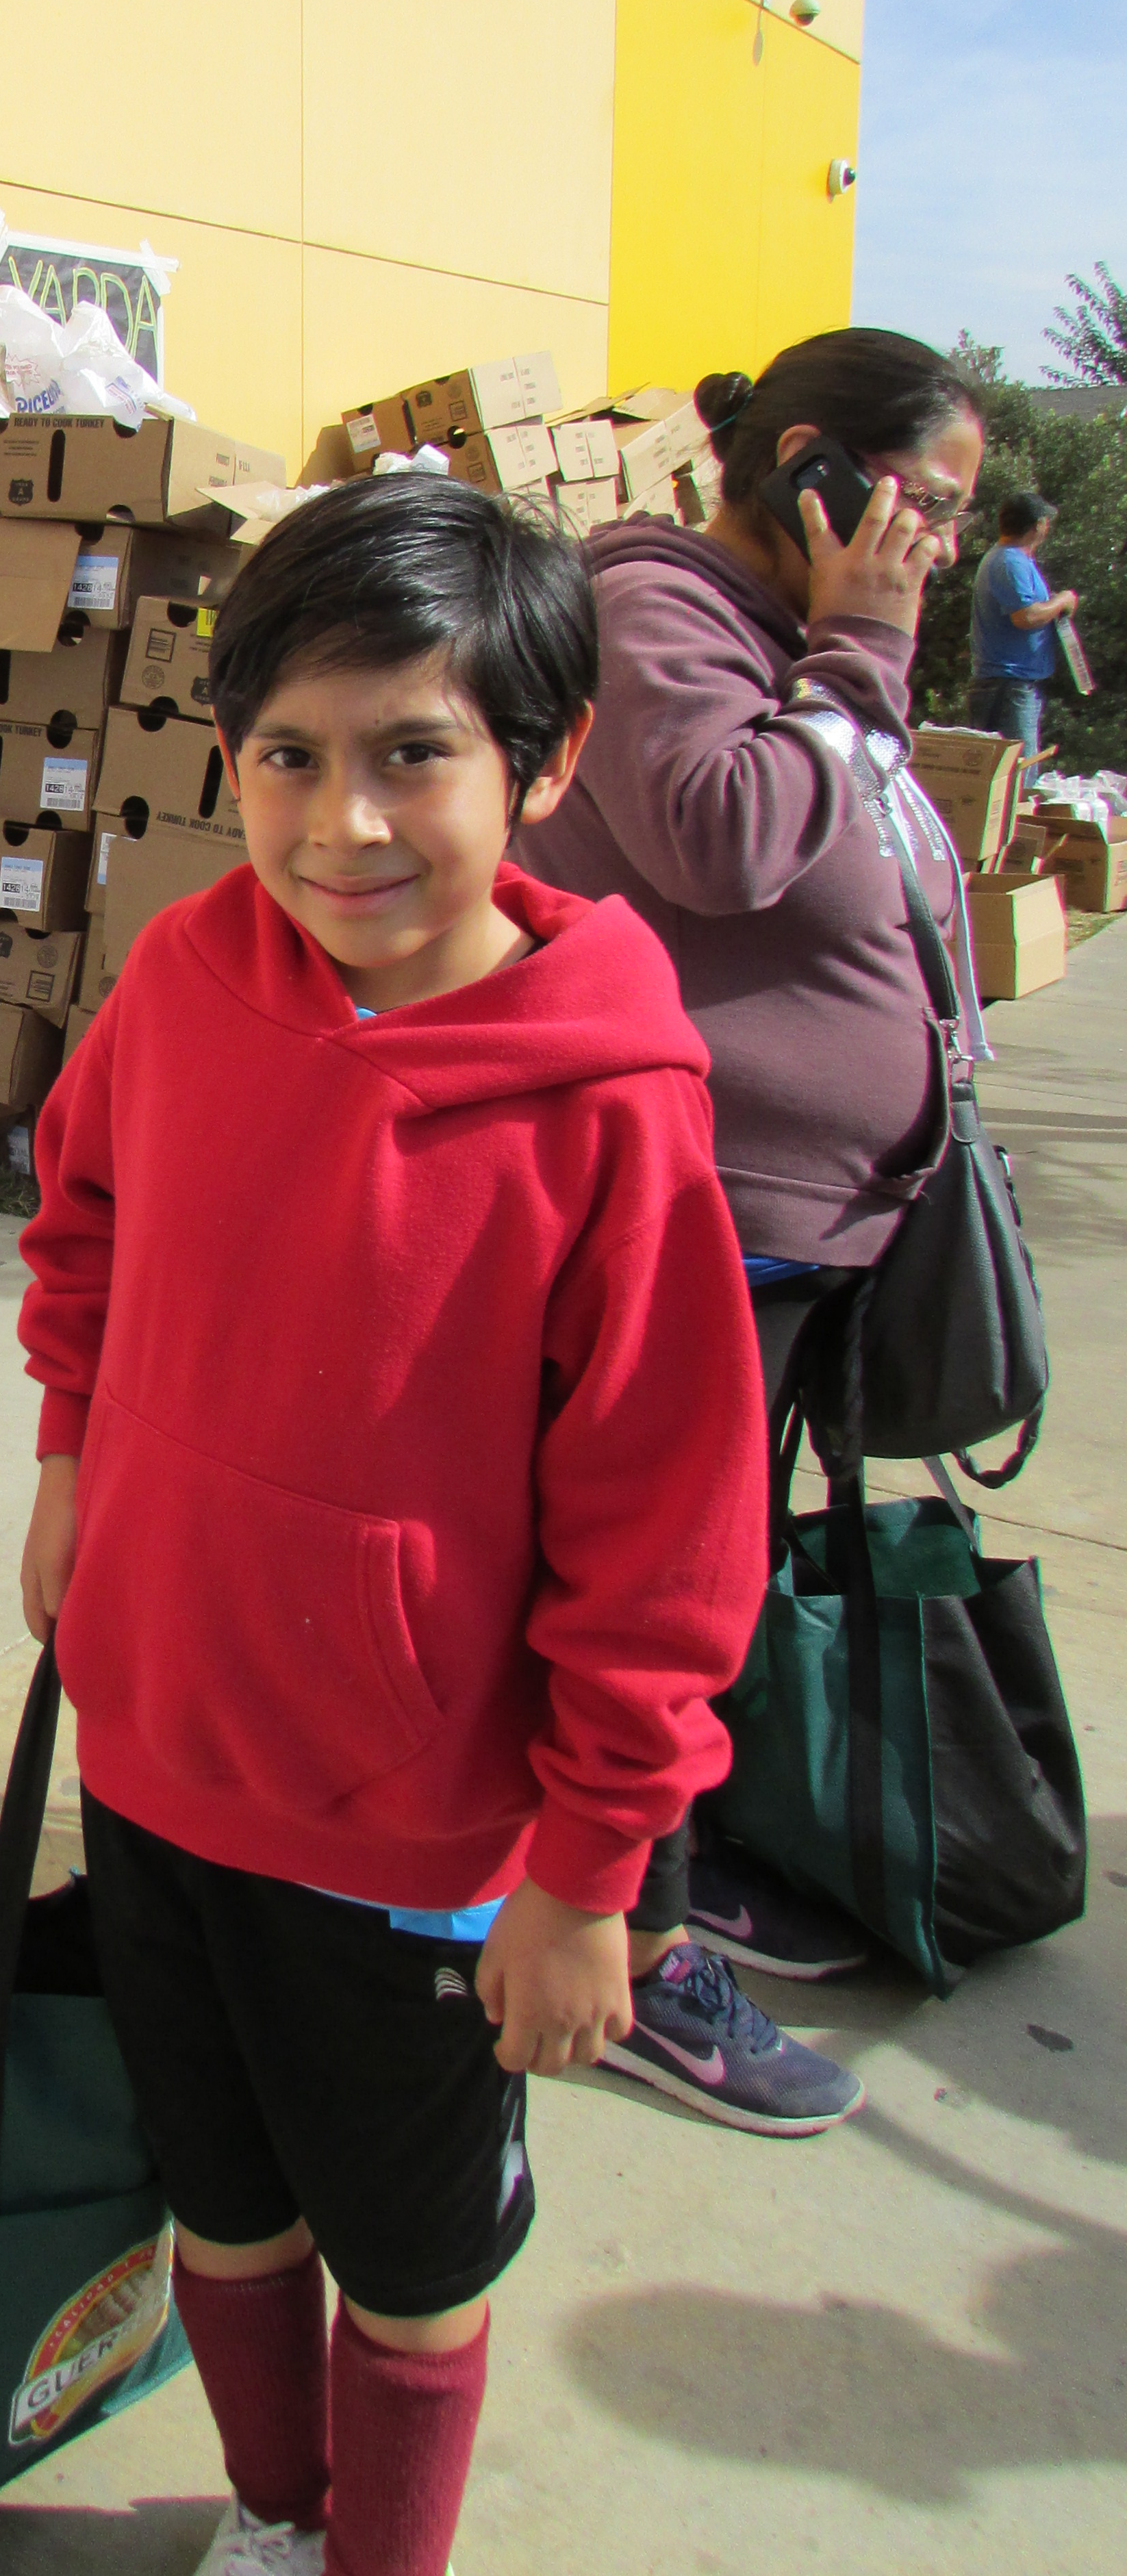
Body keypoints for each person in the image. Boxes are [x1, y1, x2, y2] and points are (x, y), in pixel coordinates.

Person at [16, 475, 770, 2576]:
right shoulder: (182, 978)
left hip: (419, 1853)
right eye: (289, 759)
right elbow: (78, 1226)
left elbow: (668, 1542)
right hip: (159, 1767)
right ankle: (273, 2515)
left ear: (545, 766)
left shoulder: (611, 1111)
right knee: (223, 2205)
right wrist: (78, 1461)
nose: (342, 826)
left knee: (409, 2265)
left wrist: (590, 1866)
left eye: (412, 755)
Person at [518, 327, 985, 2125]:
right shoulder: (658, 614)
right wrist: (861, 656)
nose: (932, 546)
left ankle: (669, 1868)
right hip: (700, 1214)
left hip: (802, 1225)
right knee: (657, 1595)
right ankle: (633, 1955)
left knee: (710, 1585)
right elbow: (719, 838)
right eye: (919, 506)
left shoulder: (786, 638)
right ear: (814, 469)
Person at [970, 488, 1076, 755]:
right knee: (1018, 771)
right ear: (1038, 525)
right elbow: (1025, 617)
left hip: (1011, 683)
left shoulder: (1013, 559)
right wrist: (1062, 601)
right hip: (1009, 685)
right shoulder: (1009, 561)